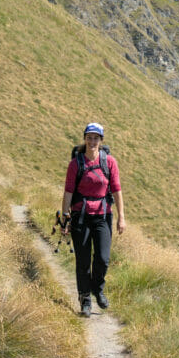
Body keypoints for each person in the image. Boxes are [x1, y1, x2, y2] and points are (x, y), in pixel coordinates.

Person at [61, 122, 125, 316]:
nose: (92, 141)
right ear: (85, 139)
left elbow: (116, 190)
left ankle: (98, 288)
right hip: (80, 217)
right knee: (83, 261)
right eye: (89, 137)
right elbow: (68, 192)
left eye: (96, 138)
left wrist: (121, 217)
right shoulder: (76, 163)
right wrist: (65, 218)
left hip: (103, 216)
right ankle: (85, 299)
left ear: (101, 140)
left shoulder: (110, 162)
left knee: (103, 259)